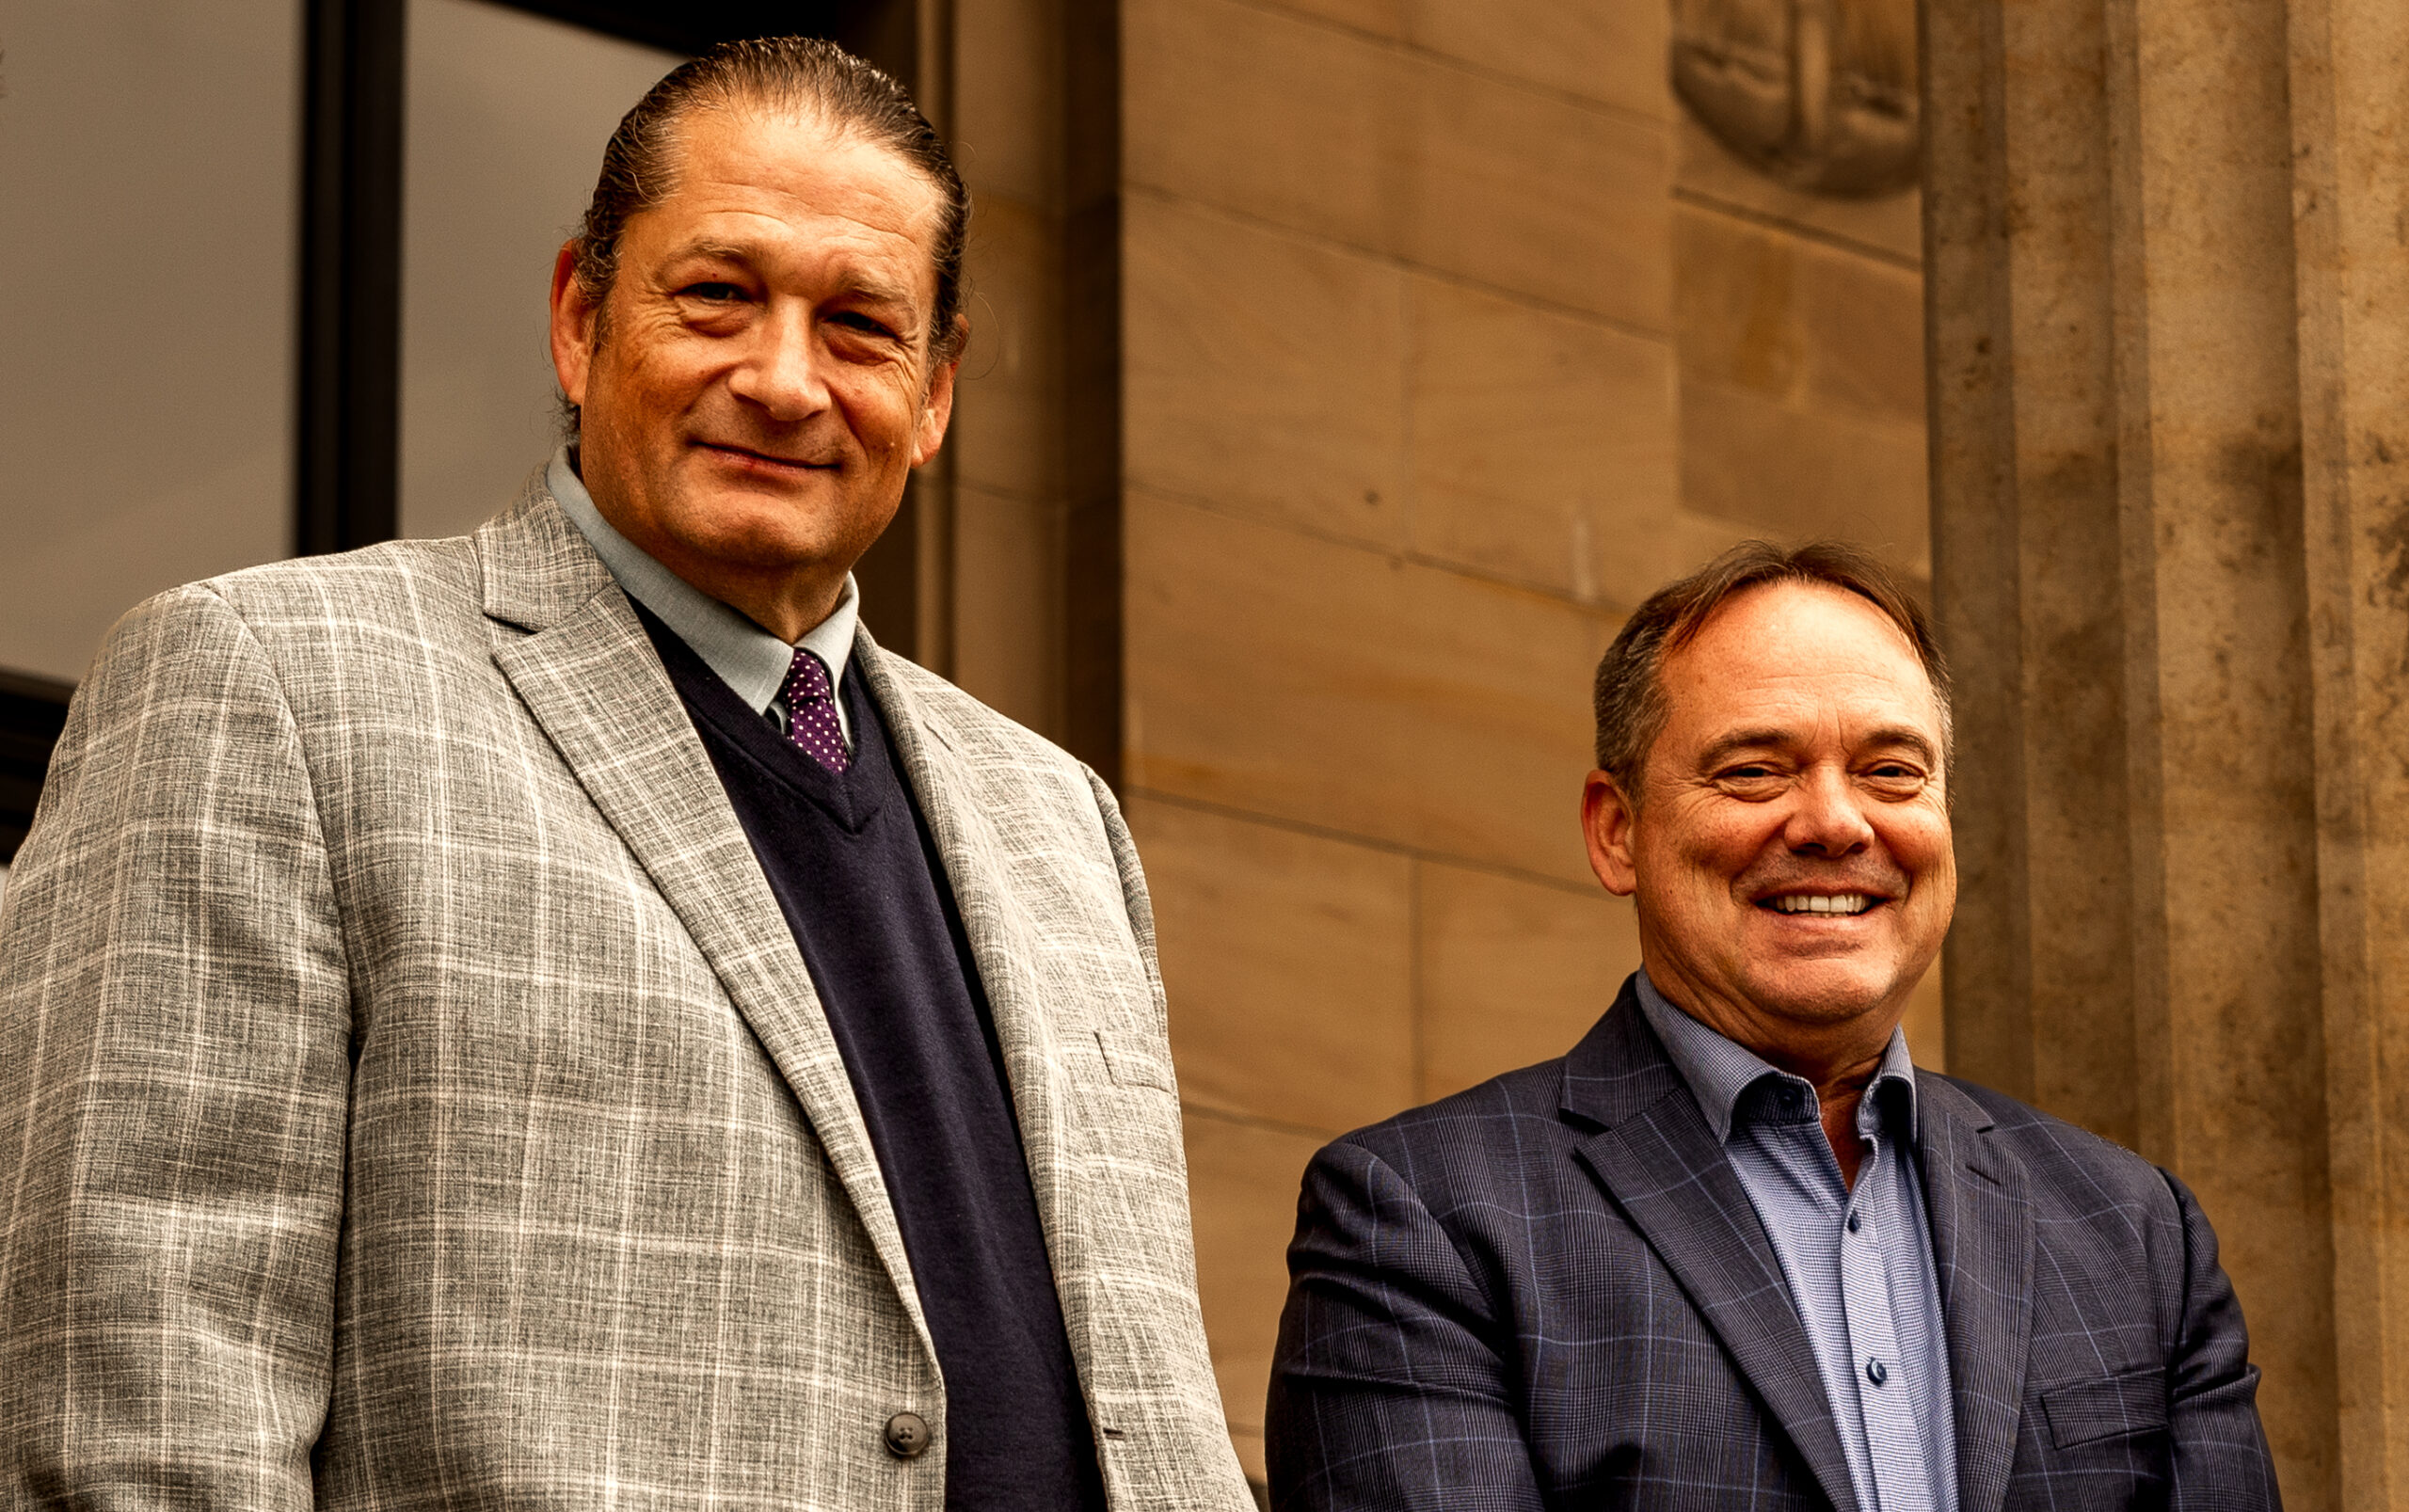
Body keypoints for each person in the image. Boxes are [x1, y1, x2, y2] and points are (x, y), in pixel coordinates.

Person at [0, 38, 1252, 1510]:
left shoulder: (1063, 817)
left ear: (936, 390)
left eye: (860, 324)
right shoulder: (270, 682)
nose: (787, 380)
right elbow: (136, 1404)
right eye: (719, 295)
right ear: (580, 319)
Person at [1264, 542, 2277, 1510]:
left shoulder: (2135, 1230)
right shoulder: (1421, 1220)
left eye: (1891, 770)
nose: (1836, 821)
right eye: (1753, 769)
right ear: (1617, 830)